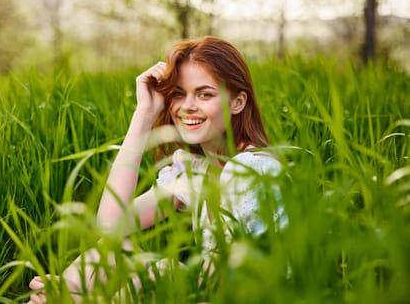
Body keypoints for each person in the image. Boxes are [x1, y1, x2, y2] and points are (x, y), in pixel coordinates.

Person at [27, 36, 286, 303]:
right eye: (178, 93)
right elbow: (111, 226)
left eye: (204, 94)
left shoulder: (252, 168)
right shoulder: (195, 170)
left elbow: (219, 279)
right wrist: (144, 114)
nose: (188, 106)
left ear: (238, 102)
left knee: (165, 273)